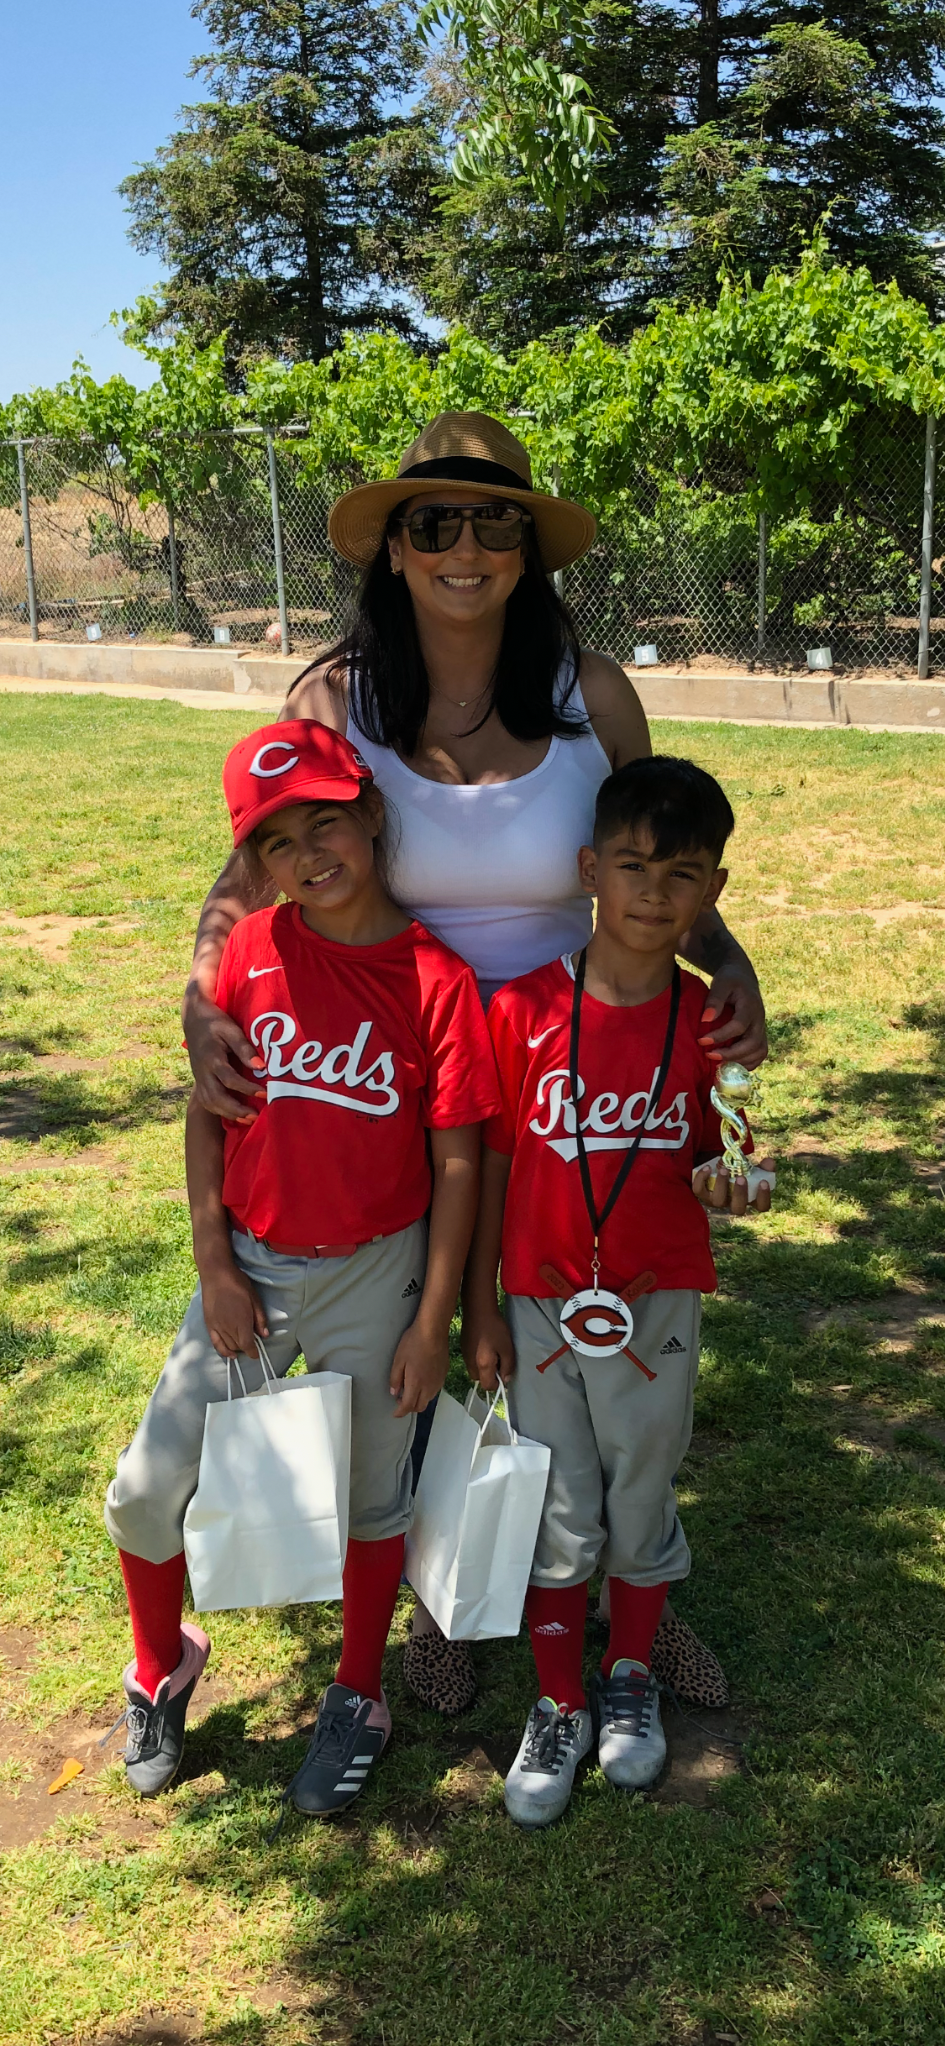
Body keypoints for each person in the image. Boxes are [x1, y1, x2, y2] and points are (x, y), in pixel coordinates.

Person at [181, 410, 768, 1715]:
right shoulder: (335, 697)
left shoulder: (590, 692)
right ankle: (442, 1598)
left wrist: (728, 961)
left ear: (527, 547)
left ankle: (631, 1602)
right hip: (390, 1065)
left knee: (587, 1327)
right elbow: (246, 872)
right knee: (422, 1334)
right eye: (433, 520)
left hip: (572, 1068)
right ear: (393, 547)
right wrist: (200, 995)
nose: (464, 545)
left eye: (493, 518)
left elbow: (655, 847)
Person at [103, 721, 499, 1806]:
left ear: (369, 813)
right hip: (254, 1265)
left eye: (326, 821)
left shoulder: (434, 977)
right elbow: (207, 1113)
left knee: (373, 1494)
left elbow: (458, 1160)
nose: (309, 853)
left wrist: (432, 1322)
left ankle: (358, 1690)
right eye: (278, 841)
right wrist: (215, 1265)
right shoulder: (249, 952)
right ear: (255, 862)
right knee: (148, 1489)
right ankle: (160, 1661)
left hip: (381, 1270)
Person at [462, 757, 776, 1828]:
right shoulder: (524, 1011)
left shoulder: (709, 1022)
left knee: (640, 1486)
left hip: (656, 1300)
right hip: (540, 1301)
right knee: (558, 1496)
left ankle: (630, 1673)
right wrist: (480, 1303)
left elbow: (725, 1149)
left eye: (681, 874)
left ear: (711, 892)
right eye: (632, 866)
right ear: (590, 869)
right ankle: (558, 1700)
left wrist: (731, 1183)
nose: (653, 892)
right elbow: (494, 1163)